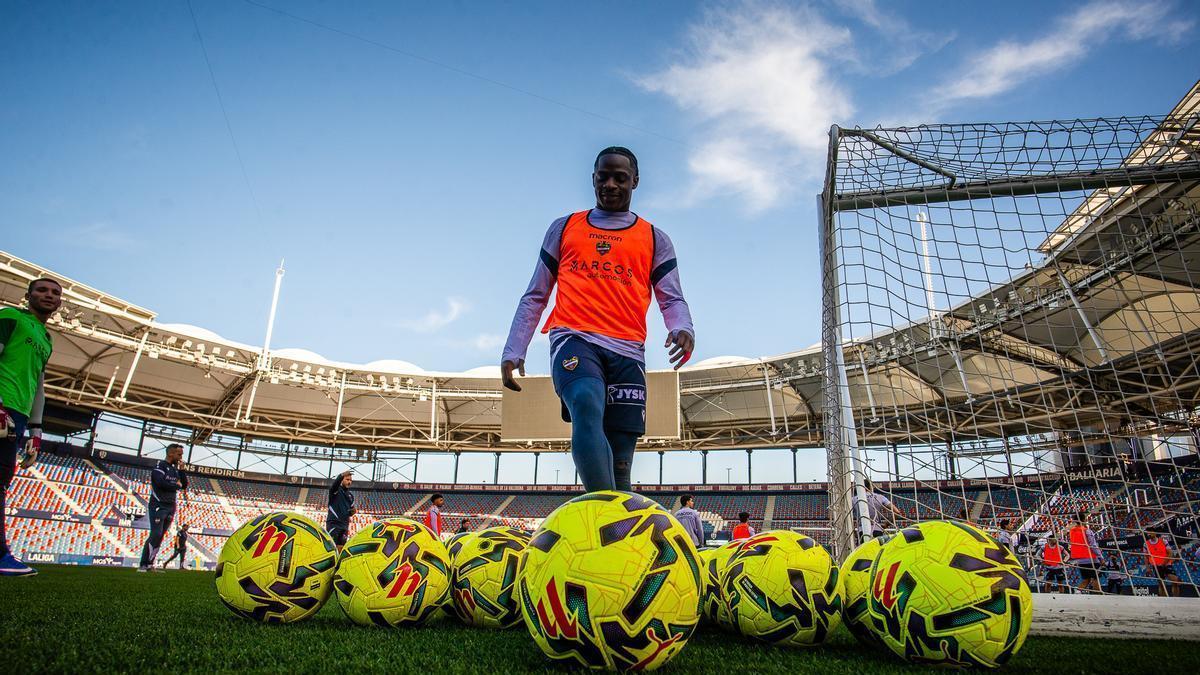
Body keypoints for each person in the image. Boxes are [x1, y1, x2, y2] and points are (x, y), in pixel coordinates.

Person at [500, 147, 695, 493]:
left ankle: (616, 534)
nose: (610, 184)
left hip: (628, 351)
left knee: (621, 463)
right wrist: (515, 348)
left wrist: (682, 327)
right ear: (592, 178)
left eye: (620, 178)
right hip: (573, 338)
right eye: (602, 176)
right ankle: (603, 513)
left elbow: (671, 295)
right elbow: (536, 293)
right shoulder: (564, 228)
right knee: (587, 403)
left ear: (635, 181)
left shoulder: (654, 238)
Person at [0, 277, 61, 577]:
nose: (49, 296)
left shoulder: (46, 339)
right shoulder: (10, 317)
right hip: (3, 407)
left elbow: (38, 384)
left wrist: (36, 430)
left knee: (2, 478)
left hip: (18, 415)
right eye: (42, 290)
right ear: (28, 296)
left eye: (55, 293)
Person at [138, 443, 188, 572]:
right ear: (170, 453)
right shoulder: (160, 466)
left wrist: (182, 471)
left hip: (171, 506)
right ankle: (143, 564)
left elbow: (184, 485)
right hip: (158, 505)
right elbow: (160, 483)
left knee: (160, 536)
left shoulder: (175, 469)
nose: (181, 457)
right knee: (156, 534)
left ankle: (150, 565)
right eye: (179, 454)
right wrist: (176, 485)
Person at [1066, 511, 1102, 593]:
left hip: (1080, 560)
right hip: (1091, 558)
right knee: (1095, 578)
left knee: (1087, 579)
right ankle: (1100, 597)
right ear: (1084, 519)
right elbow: (1093, 545)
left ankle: (1077, 593)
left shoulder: (1072, 531)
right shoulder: (1087, 531)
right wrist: (1101, 558)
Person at [1144, 530, 1180, 597]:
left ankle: (1176, 599)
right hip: (1156, 566)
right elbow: (1146, 557)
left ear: (1154, 533)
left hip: (1166, 564)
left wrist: (1164, 563)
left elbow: (1170, 553)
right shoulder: (1146, 544)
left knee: (1175, 581)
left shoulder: (1163, 541)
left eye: (1150, 532)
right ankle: (1164, 601)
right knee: (1161, 584)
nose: (1148, 534)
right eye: (1147, 533)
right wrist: (1147, 568)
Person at [326, 471, 356, 549]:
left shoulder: (351, 496)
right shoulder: (335, 491)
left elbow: (350, 511)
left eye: (350, 480)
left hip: (344, 526)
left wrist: (352, 512)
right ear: (342, 480)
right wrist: (341, 475)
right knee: (331, 547)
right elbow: (335, 484)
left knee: (341, 548)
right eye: (347, 479)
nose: (349, 482)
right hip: (334, 524)